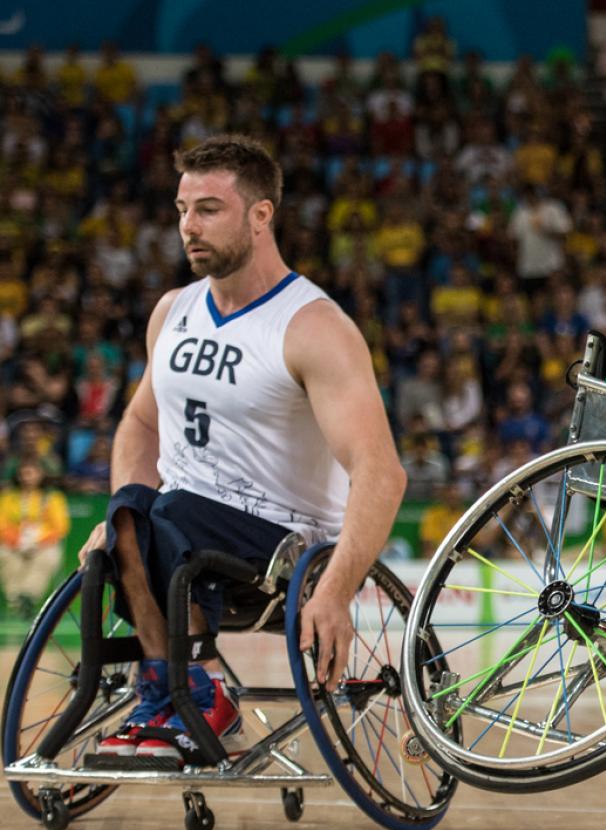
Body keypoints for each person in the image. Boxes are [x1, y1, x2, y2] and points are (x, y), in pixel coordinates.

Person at [77, 135, 406, 765]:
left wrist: (336, 590)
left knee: (154, 518)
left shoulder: (314, 327)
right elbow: (140, 425)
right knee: (138, 517)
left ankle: (196, 697)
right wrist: (124, 510)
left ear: (261, 216)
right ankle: (171, 692)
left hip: (280, 547)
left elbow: (381, 472)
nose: (187, 227)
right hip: (180, 527)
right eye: (180, 209)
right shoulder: (172, 310)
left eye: (208, 209)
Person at [0, 461, 69, 617]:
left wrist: (37, 541)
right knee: (5, 555)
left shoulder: (53, 497)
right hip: (13, 542)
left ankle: (29, 597)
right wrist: (17, 541)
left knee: (49, 557)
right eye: (24, 473)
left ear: (41, 474)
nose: (27, 477)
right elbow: (2, 524)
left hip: (43, 543)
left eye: (31, 473)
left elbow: (60, 527)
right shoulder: (8, 497)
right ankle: (16, 601)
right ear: (18, 475)